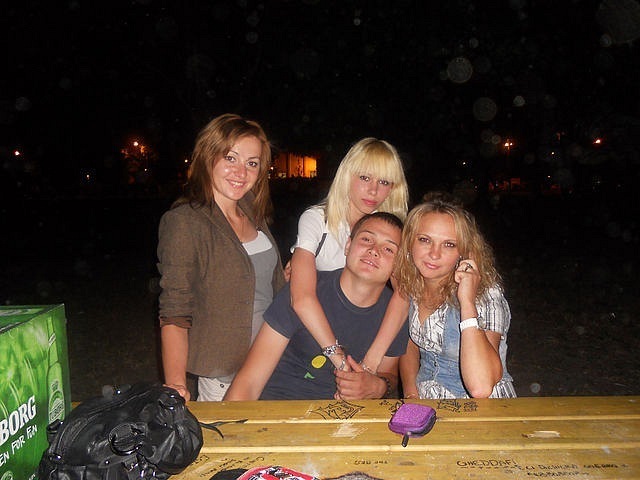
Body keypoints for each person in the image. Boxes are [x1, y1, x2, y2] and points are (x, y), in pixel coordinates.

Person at [157, 113, 285, 401]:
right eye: (230, 158)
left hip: (275, 365)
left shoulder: (252, 209)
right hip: (226, 378)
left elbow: (264, 279)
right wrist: (176, 385)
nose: (241, 172)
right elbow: (175, 312)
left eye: (252, 163)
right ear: (208, 157)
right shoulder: (185, 222)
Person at [224, 212, 409, 401]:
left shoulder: (395, 314)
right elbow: (249, 382)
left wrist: (378, 386)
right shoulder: (306, 289)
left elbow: (389, 374)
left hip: (344, 418)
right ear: (348, 245)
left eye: (388, 249)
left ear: (398, 264)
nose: (374, 250)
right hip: (279, 408)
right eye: (367, 239)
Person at [288, 138, 410, 375]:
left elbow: (404, 295)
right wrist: (342, 363)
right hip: (312, 334)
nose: (373, 190)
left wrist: (370, 364)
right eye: (364, 177)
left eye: (384, 182)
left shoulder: (391, 231)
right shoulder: (318, 220)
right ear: (347, 176)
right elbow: (301, 298)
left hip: (364, 333)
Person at [397, 192, 516, 399]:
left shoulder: (485, 294)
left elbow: (481, 387)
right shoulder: (411, 283)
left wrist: (467, 303)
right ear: (409, 243)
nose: (434, 254)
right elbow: (410, 345)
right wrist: (411, 395)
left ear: (463, 252)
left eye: (449, 244)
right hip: (428, 404)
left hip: (484, 409)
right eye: (425, 240)